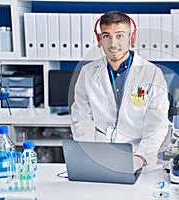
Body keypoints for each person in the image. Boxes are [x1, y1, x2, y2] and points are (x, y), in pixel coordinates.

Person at [70, 11, 169, 170]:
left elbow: (157, 123)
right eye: (107, 36)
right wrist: (89, 152)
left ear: (132, 37)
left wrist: (141, 157)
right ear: (99, 39)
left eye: (120, 35)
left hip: (137, 155)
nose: (113, 44)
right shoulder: (87, 73)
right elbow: (81, 119)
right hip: (99, 155)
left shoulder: (151, 73)